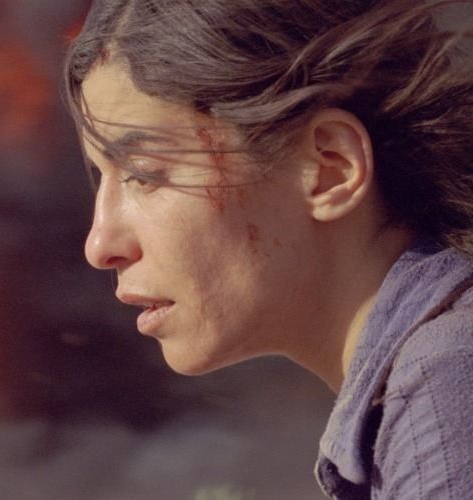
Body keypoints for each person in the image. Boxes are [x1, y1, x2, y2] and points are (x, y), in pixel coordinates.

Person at [62, 0, 473, 498]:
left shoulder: (445, 392)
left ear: (329, 168)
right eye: (98, 177)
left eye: (144, 174)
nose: (100, 245)